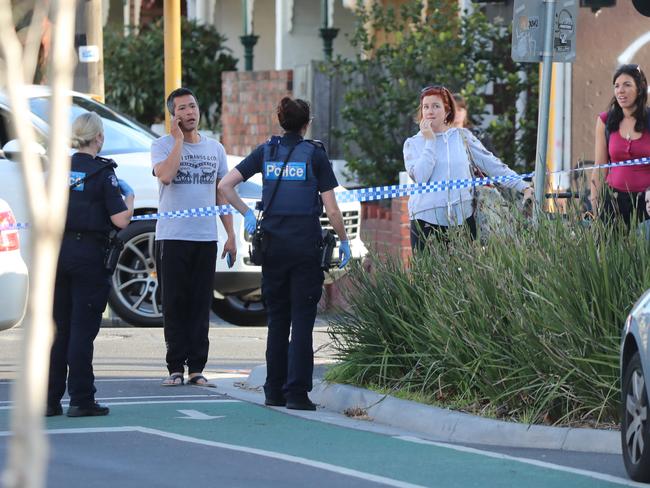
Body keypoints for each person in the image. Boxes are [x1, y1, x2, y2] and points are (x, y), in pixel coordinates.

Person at [218, 97, 351, 411]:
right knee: (302, 321)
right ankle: (297, 394)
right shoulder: (314, 155)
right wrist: (343, 240)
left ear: (281, 121)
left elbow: (225, 185)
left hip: (273, 248)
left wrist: (247, 214)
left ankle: (273, 391)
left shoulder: (267, 151)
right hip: (305, 247)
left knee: (277, 320)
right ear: (307, 123)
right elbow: (331, 207)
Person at [47, 112, 134, 417]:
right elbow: (120, 219)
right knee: (83, 331)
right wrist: (131, 198)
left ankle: (49, 399)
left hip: (57, 253)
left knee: (60, 329)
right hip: (88, 257)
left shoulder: (59, 168)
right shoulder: (103, 172)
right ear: (99, 138)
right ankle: (82, 399)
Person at [152, 87, 236, 387]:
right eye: (182, 109)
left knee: (201, 304)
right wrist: (178, 141)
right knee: (175, 302)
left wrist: (230, 233)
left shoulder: (215, 149)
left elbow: (221, 193)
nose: (189, 113)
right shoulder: (162, 145)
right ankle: (175, 366)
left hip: (205, 238)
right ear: (172, 116)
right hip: (172, 237)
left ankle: (197, 368)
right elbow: (166, 176)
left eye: (192, 106)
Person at [404, 85, 533, 251]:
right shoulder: (412, 143)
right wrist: (430, 141)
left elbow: (493, 165)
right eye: (426, 107)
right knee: (428, 275)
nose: (430, 111)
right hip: (425, 221)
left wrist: (523, 186)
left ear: (447, 111)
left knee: (464, 275)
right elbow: (420, 177)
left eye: (436, 106)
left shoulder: (462, 136)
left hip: (462, 220)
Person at [590, 64, 650, 228]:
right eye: (616, 86)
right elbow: (600, 166)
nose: (620, 91)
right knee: (609, 251)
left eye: (627, 85)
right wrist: (596, 207)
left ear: (640, 88)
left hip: (647, 202)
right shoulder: (605, 121)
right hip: (614, 201)